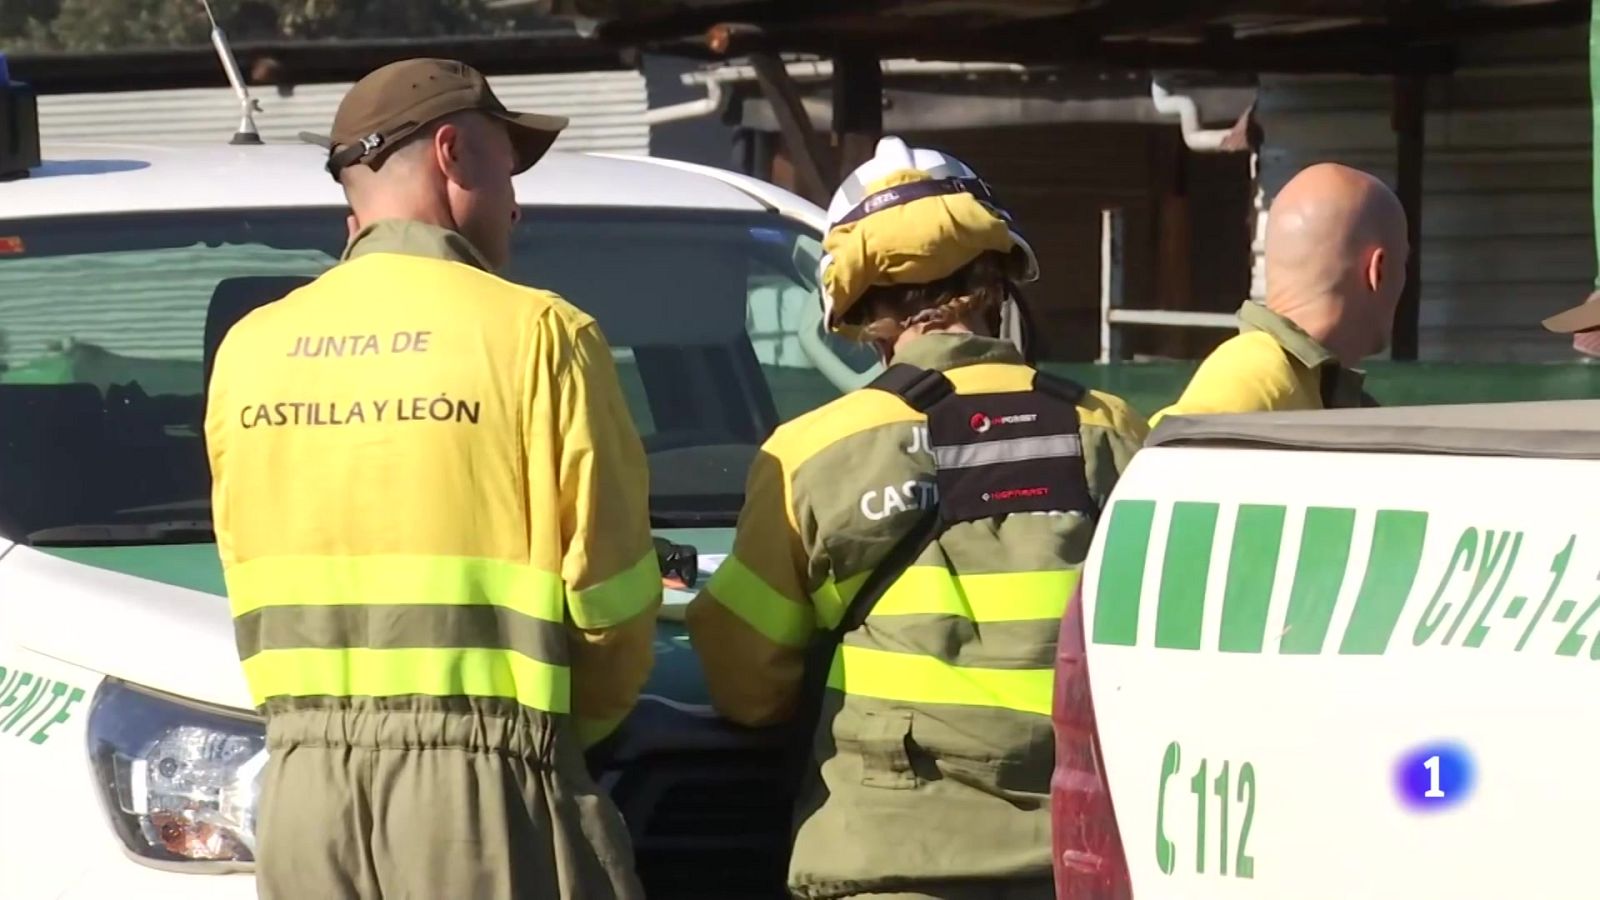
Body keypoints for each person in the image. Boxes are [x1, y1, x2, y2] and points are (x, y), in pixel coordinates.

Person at [204, 58, 656, 900]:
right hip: (484, 797)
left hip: (301, 803)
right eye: (504, 169)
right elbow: (615, 608)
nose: (515, 204)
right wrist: (540, 745)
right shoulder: (541, 335)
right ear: (452, 154)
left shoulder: (250, 351)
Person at [684, 136, 1149, 900]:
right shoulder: (1114, 433)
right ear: (996, 280)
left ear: (861, 310)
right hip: (1084, 861)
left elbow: (748, 688)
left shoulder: (813, 454)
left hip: (894, 863)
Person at [1149, 162, 1408, 427]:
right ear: (1378, 271)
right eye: (1404, 264)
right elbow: (1169, 456)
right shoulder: (1254, 381)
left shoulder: (1294, 384)